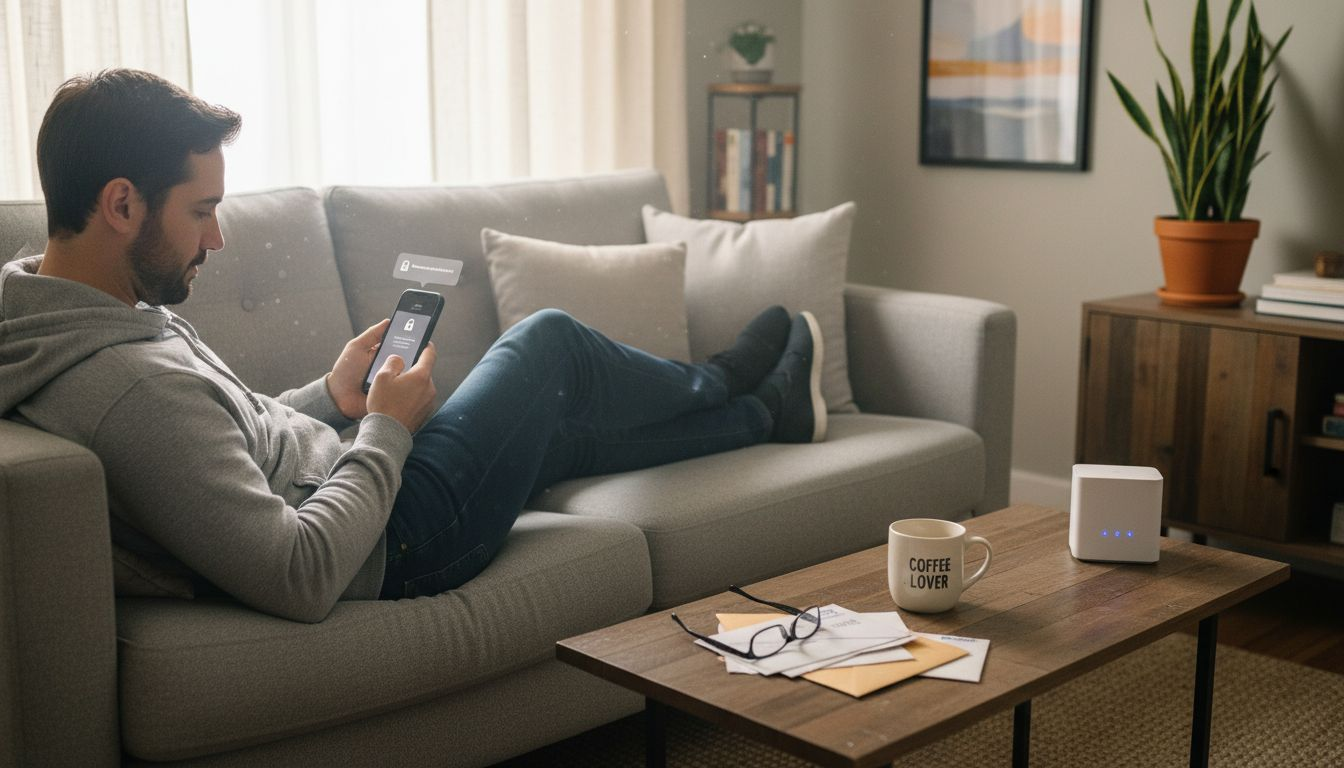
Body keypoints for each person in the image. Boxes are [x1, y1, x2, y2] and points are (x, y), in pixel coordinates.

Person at [0, 68, 826, 623]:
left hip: (353, 478)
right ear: (120, 204)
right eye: (202, 210)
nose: (216, 240)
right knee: (549, 346)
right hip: (397, 539)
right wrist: (387, 431)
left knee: (566, 424)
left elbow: (231, 440)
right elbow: (302, 573)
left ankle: (761, 410)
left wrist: (333, 394)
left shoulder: (82, 313)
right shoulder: (124, 389)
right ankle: (722, 382)